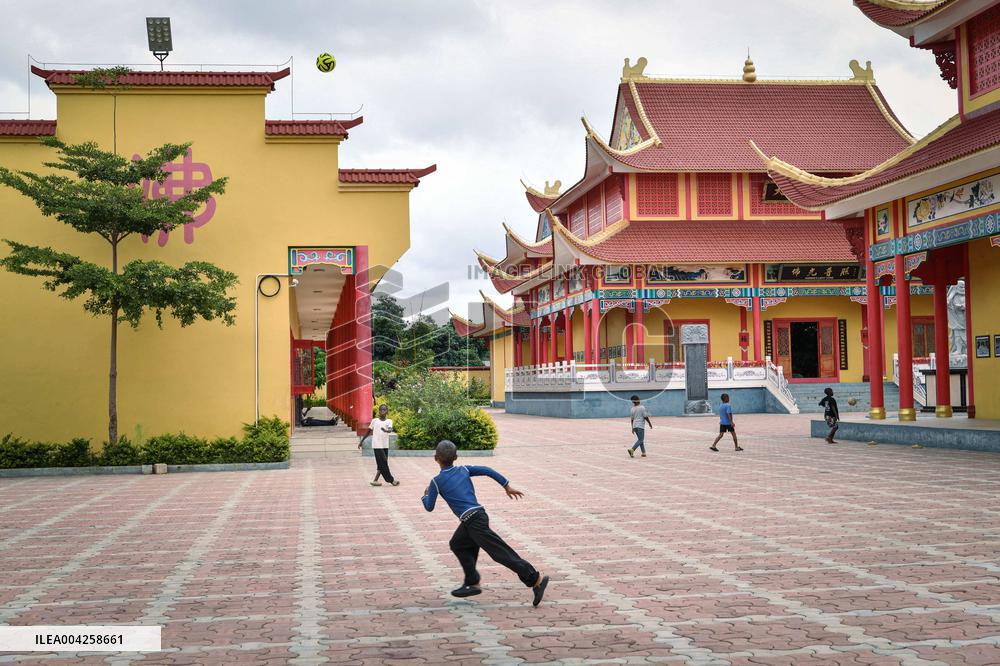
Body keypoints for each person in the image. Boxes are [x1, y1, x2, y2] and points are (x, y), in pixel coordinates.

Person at [422, 440, 549, 606]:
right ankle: (472, 582)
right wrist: (506, 486)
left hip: (474, 521)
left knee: (500, 552)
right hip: (476, 517)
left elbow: (429, 507)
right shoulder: (464, 469)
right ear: (456, 457)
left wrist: (425, 495)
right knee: (458, 543)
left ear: (435, 458)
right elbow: (488, 470)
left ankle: (535, 579)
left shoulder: (436, 482)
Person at [360, 404, 398, 487]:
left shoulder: (389, 421)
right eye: (381, 410)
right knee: (383, 462)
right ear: (379, 411)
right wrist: (362, 441)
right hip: (377, 445)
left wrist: (386, 430)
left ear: (387, 411)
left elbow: (390, 430)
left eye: (384, 410)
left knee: (382, 464)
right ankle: (391, 480)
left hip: (385, 445)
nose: (382, 411)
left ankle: (375, 480)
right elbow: (368, 431)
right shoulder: (375, 421)